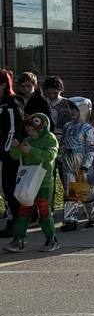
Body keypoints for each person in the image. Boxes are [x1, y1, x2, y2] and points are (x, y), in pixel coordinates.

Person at [4, 113, 59, 253]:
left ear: (41, 128)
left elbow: (50, 156)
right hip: (28, 181)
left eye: (33, 128)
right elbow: (16, 156)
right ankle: (18, 239)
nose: (30, 131)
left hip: (44, 182)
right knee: (23, 211)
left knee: (45, 212)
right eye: (28, 128)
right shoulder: (27, 140)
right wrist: (14, 147)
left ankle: (51, 239)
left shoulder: (50, 139)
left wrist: (32, 150)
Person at [58, 97, 94, 231]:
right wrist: (60, 158)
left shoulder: (87, 128)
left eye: (76, 109)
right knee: (69, 191)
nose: (72, 111)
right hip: (68, 160)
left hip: (81, 160)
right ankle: (70, 219)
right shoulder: (67, 126)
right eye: (71, 108)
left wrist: (85, 165)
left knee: (85, 192)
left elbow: (91, 148)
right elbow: (63, 144)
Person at [0, 70, 25, 237]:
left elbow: (12, 131)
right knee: (5, 189)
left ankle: (15, 222)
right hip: (4, 154)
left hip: (9, 156)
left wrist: (5, 153)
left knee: (9, 189)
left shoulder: (11, 105)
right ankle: (13, 220)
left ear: (3, 85)